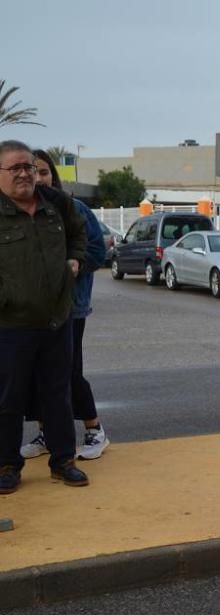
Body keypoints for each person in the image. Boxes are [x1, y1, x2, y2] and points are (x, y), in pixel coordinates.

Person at [0, 140, 90, 494]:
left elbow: (80, 231)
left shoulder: (56, 203)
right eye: (15, 169)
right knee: (8, 399)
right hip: (9, 326)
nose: (25, 174)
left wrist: (76, 259)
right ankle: (7, 465)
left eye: (29, 167)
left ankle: (63, 461)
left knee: (58, 395)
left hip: (56, 320)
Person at [20, 150, 110, 461]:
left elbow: (98, 252)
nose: (38, 178)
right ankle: (47, 434)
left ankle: (94, 430)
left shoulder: (77, 210)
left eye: (43, 172)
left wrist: (69, 266)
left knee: (69, 372)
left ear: (53, 177)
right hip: (31, 311)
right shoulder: (23, 212)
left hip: (70, 308)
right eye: (32, 171)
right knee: (36, 373)